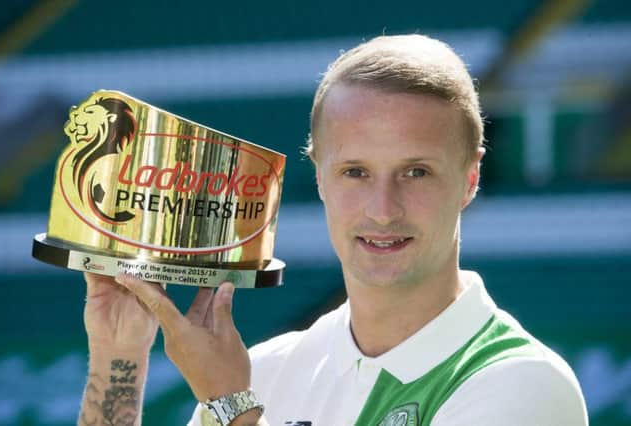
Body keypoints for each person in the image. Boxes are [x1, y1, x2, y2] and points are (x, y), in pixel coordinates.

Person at [77, 34, 589, 426]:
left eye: (417, 172)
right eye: (355, 172)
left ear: (470, 179)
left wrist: (231, 406)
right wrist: (119, 355)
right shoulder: (266, 371)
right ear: (319, 175)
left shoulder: (522, 383)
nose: (383, 209)